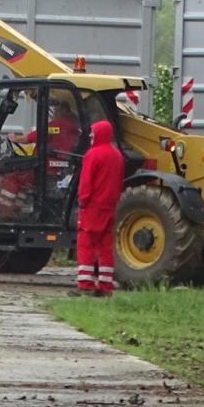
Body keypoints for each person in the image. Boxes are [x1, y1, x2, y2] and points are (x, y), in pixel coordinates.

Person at [75, 119, 123, 296]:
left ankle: (85, 284)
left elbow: (86, 181)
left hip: (92, 206)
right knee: (105, 246)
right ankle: (105, 285)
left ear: (100, 134)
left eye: (93, 133)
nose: (90, 136)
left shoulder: (92, 154)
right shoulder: (117, 155)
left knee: (86, 244)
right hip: (109, 206)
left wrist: (82, 200)